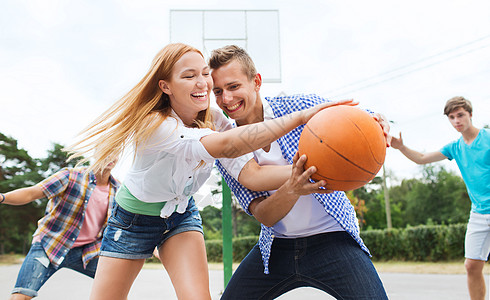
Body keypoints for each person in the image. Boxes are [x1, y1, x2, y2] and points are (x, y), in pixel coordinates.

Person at [65, 43, 353, 300]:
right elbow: (229, 145)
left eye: (204, 73)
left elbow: (251, 175)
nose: (202, 82)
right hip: (132, 221)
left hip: (180, 217)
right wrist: (301, 119)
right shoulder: (156, 124)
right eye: (189, 76)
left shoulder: (213, 118)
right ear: (166, 86)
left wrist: (310, 172)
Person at [209, 45, 390, 299]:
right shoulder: (226, 145)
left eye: (233, 86)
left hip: (332, 237)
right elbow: (264, 215)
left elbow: (353, 121)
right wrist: (292, 189)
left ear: (256, 82)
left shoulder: (296, 106)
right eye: (218, 91)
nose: (226, 99)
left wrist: (379, 122)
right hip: (277, 246)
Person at [391, 96, 489, 300]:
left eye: (460, 115)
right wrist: (401, 147)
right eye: (452, 117)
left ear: (470, 114)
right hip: (479, 213)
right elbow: (422, 159)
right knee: (471, 266)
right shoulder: (455, 147)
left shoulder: (487, 138)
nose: (456, 121)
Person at [0, 160, 119, 300]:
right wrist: (2, 197)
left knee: (117, 291)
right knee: (20, 296)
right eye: (107, 150)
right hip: (50, 245)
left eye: (115, 152)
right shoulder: (70, 176)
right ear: (96, 151)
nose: (111, 156)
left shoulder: (117, 189)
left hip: (86, 252)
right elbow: (32, 193)